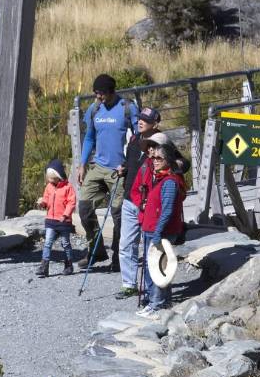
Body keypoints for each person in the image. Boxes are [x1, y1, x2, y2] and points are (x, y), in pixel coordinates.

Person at [76, 74, 136, 271]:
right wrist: (82, 164)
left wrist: (129, 164)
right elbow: (89, 138)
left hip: (119, 170)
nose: (97, 96)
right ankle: (96, 250)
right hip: (98, 167)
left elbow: (138, 139)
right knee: (84, 208)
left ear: (111, 91)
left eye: (101, 93)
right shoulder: (95, 109)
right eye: (95, 92)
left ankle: (119, 257)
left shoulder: (127, 108)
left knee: (118, 215)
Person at [136, 139, 186, 318]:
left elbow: (167, 210)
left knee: (156, 269)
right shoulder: (161, 179)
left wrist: (157, 232)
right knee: (160, 267)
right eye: (153, 157)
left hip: (161, 232)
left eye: (159, 158)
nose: (154, 160)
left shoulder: (170, 182)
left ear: (169, 161)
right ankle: (164, 301)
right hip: (153, 229)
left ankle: (155, 304)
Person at [117, 108, 162, 297]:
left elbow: (181, 164)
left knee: (152, 245)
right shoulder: (135, 140)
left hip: (150, 203)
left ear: (155, 123)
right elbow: (130, 164)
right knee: (126, 243)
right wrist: (124, 169)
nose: (140, 122)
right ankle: (129, 284)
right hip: (130, 199)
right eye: (140, 119)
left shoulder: (162, 143)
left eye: (145, 120)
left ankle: (156, 285)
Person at [35, 159, 77, 277]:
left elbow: (71, 202)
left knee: (65, 243)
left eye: (52, 178)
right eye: (49, 178)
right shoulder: (49, 186)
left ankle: (69, 265)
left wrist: (66, 214)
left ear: (59, 176)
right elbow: (46, 199)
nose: (50, 181)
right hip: (51, 220)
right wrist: (42, 203)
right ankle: (44, 266)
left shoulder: (68, 187)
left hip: (63, 221)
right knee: (47, 242)